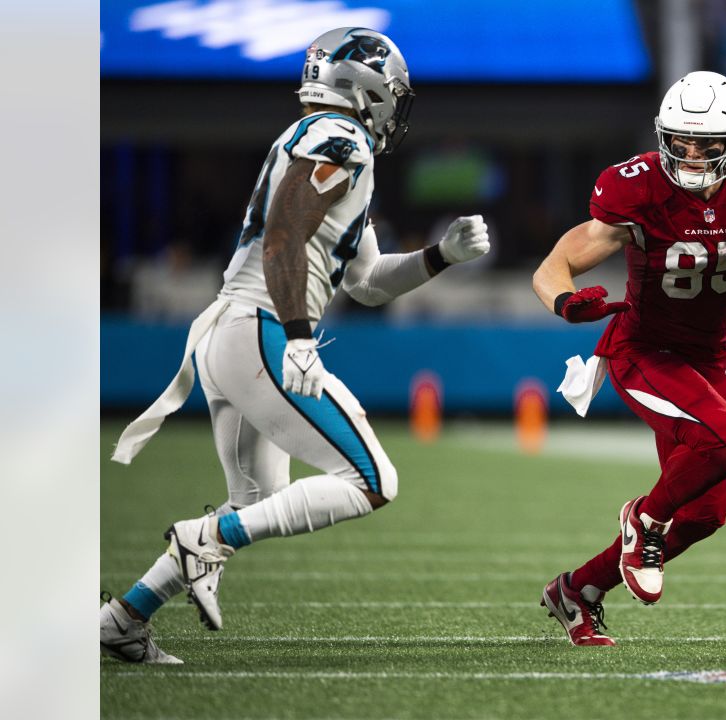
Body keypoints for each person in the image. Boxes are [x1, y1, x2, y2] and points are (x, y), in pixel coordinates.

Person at [100, 27, 491, 664]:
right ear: (368, 88)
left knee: (252, 503)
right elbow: (283, 237)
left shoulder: (320, 138)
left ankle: (124, 618)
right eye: (393, 92)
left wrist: (441, 255)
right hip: (263, 330)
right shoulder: (341, 138)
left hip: (236, 332)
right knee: (371, 480)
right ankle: (205, 541)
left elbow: (364, 284)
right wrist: (302, 339)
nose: (397, 105)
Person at [531, 71, 726, 646]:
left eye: (705, 143)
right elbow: (556, 262)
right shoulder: (636, 187)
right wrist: (562, 301)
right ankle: (643, 520)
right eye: (679, 140)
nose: (690, 153)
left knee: (706, 515)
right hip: (644, 350)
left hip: (711, 358)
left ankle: (577, 589)